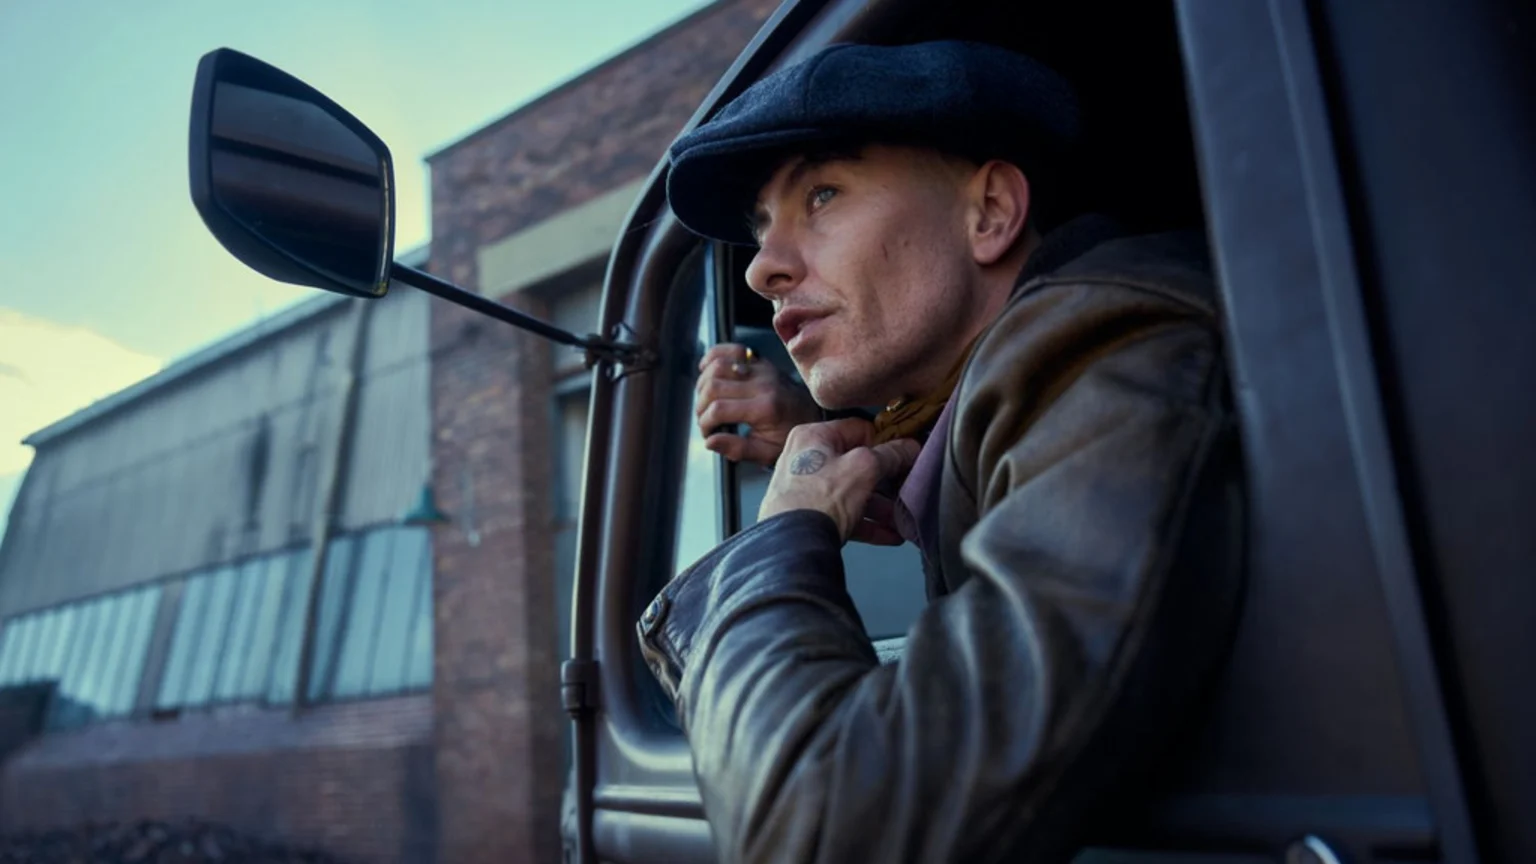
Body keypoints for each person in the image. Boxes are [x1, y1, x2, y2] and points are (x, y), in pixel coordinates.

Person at [638, 41, 1245, 863]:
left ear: (990, 211)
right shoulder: (1047, 370)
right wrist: (855, 441)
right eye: (761, 229)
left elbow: (828, 826)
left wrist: (780, 536)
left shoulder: (1109, 352)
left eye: (822, 194)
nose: (761, 271)